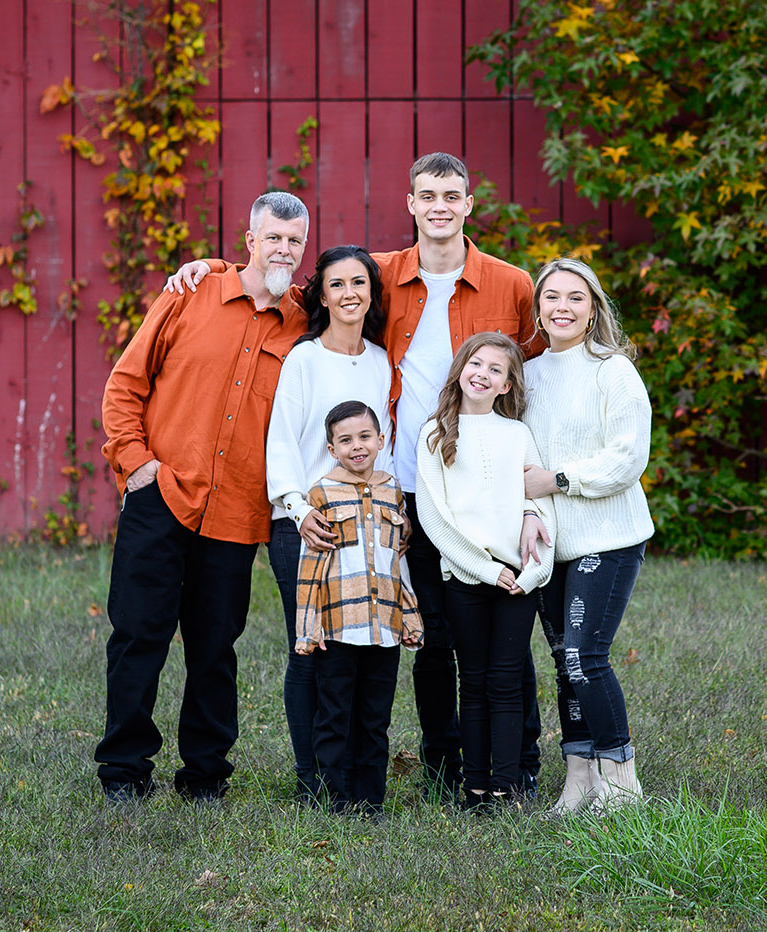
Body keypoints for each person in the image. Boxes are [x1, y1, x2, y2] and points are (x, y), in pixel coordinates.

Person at [165, 153, 546, 798]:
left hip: (449, 498)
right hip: (365, 506)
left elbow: (536, 368)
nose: (440, 207)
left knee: (480, 635)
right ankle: (390, 772)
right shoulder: (376, 283)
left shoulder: (506, 286)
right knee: (369, 641)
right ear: (411, 203)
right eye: (427, 195)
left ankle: (505, 765)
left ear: (468, 204)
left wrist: (535, 492)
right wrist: (214, 269)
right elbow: (287, 281)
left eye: (452, 195)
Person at [95, 191, 310, 804]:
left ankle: (205, 774)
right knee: (138, 636)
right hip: (161, 494)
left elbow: (365, 286)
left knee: (215, 648)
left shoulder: (305, 323)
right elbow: (126, 384)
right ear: (249, 240)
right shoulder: (191, 293)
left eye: (295, 241)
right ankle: (124, 771)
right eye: (273, 238)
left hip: (238, 511)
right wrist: (136, 465)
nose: (284, 250)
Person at [521, 257, 654, 811]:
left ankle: (621, 783)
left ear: (594, 309)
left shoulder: (612, 371)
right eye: (551, 297)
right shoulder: (527, 375)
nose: (563, 307)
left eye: (576, 297)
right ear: (538, 309)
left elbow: (628, 458)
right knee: (562, 659)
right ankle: (579, 779)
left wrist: (558, 480)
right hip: (552, 542)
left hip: (608, 536)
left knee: (584, 655)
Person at [264, 245, 393, 802]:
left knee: (358, 656)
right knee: (311, 648)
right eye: (336, 284)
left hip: (365, 526)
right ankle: (311, 777)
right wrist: (299, 511)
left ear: (372, 292)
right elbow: (281, 442)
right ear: (321, 295)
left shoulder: (381, 360)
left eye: (358, 283)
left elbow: (382, 446)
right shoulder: (304, 359)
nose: (348, 294)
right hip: (306, 524)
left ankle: (352, 776)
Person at [414, 333, 554, 810]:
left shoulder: (517, 435)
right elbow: (434, 517)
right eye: (476, 364)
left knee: (507, 682)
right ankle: (474, 788)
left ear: (507, 385)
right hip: (466, 577)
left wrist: (531, 572)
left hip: (517, 581)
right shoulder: (434, 434)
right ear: (460, 369)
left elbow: (539, 502)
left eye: (496, 370)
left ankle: (506, 786)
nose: (483, 374)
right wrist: (483, 567)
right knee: (472, 683)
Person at [294, 401, 422, 815]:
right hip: (338, 626)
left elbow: (397, 560)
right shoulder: (321, 493)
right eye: (346, 440)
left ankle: (370, 801)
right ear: (332, 449)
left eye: (365, 436)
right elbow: (310, 566)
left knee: (374, 717)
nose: (357, 446)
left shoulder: (393, 492)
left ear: (381, 440)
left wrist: (408, 615)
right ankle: (334, 797)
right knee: (334, 714)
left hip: (383, 626)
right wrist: (309, 627)